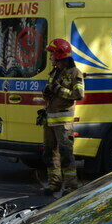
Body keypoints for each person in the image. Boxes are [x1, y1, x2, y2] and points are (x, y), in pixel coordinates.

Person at [40, 38, 84, 194]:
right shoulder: (54, 72)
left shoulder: (74, 73)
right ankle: (54, 183)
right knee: (49, 153)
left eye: (51, 53)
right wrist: (46, 93)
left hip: (63, 122)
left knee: (65, 154)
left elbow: (79, 94)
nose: (50, 57)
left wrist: (59, 89)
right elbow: (50, 92)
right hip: (50, 119)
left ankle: (71, 186)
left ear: (59, 55)